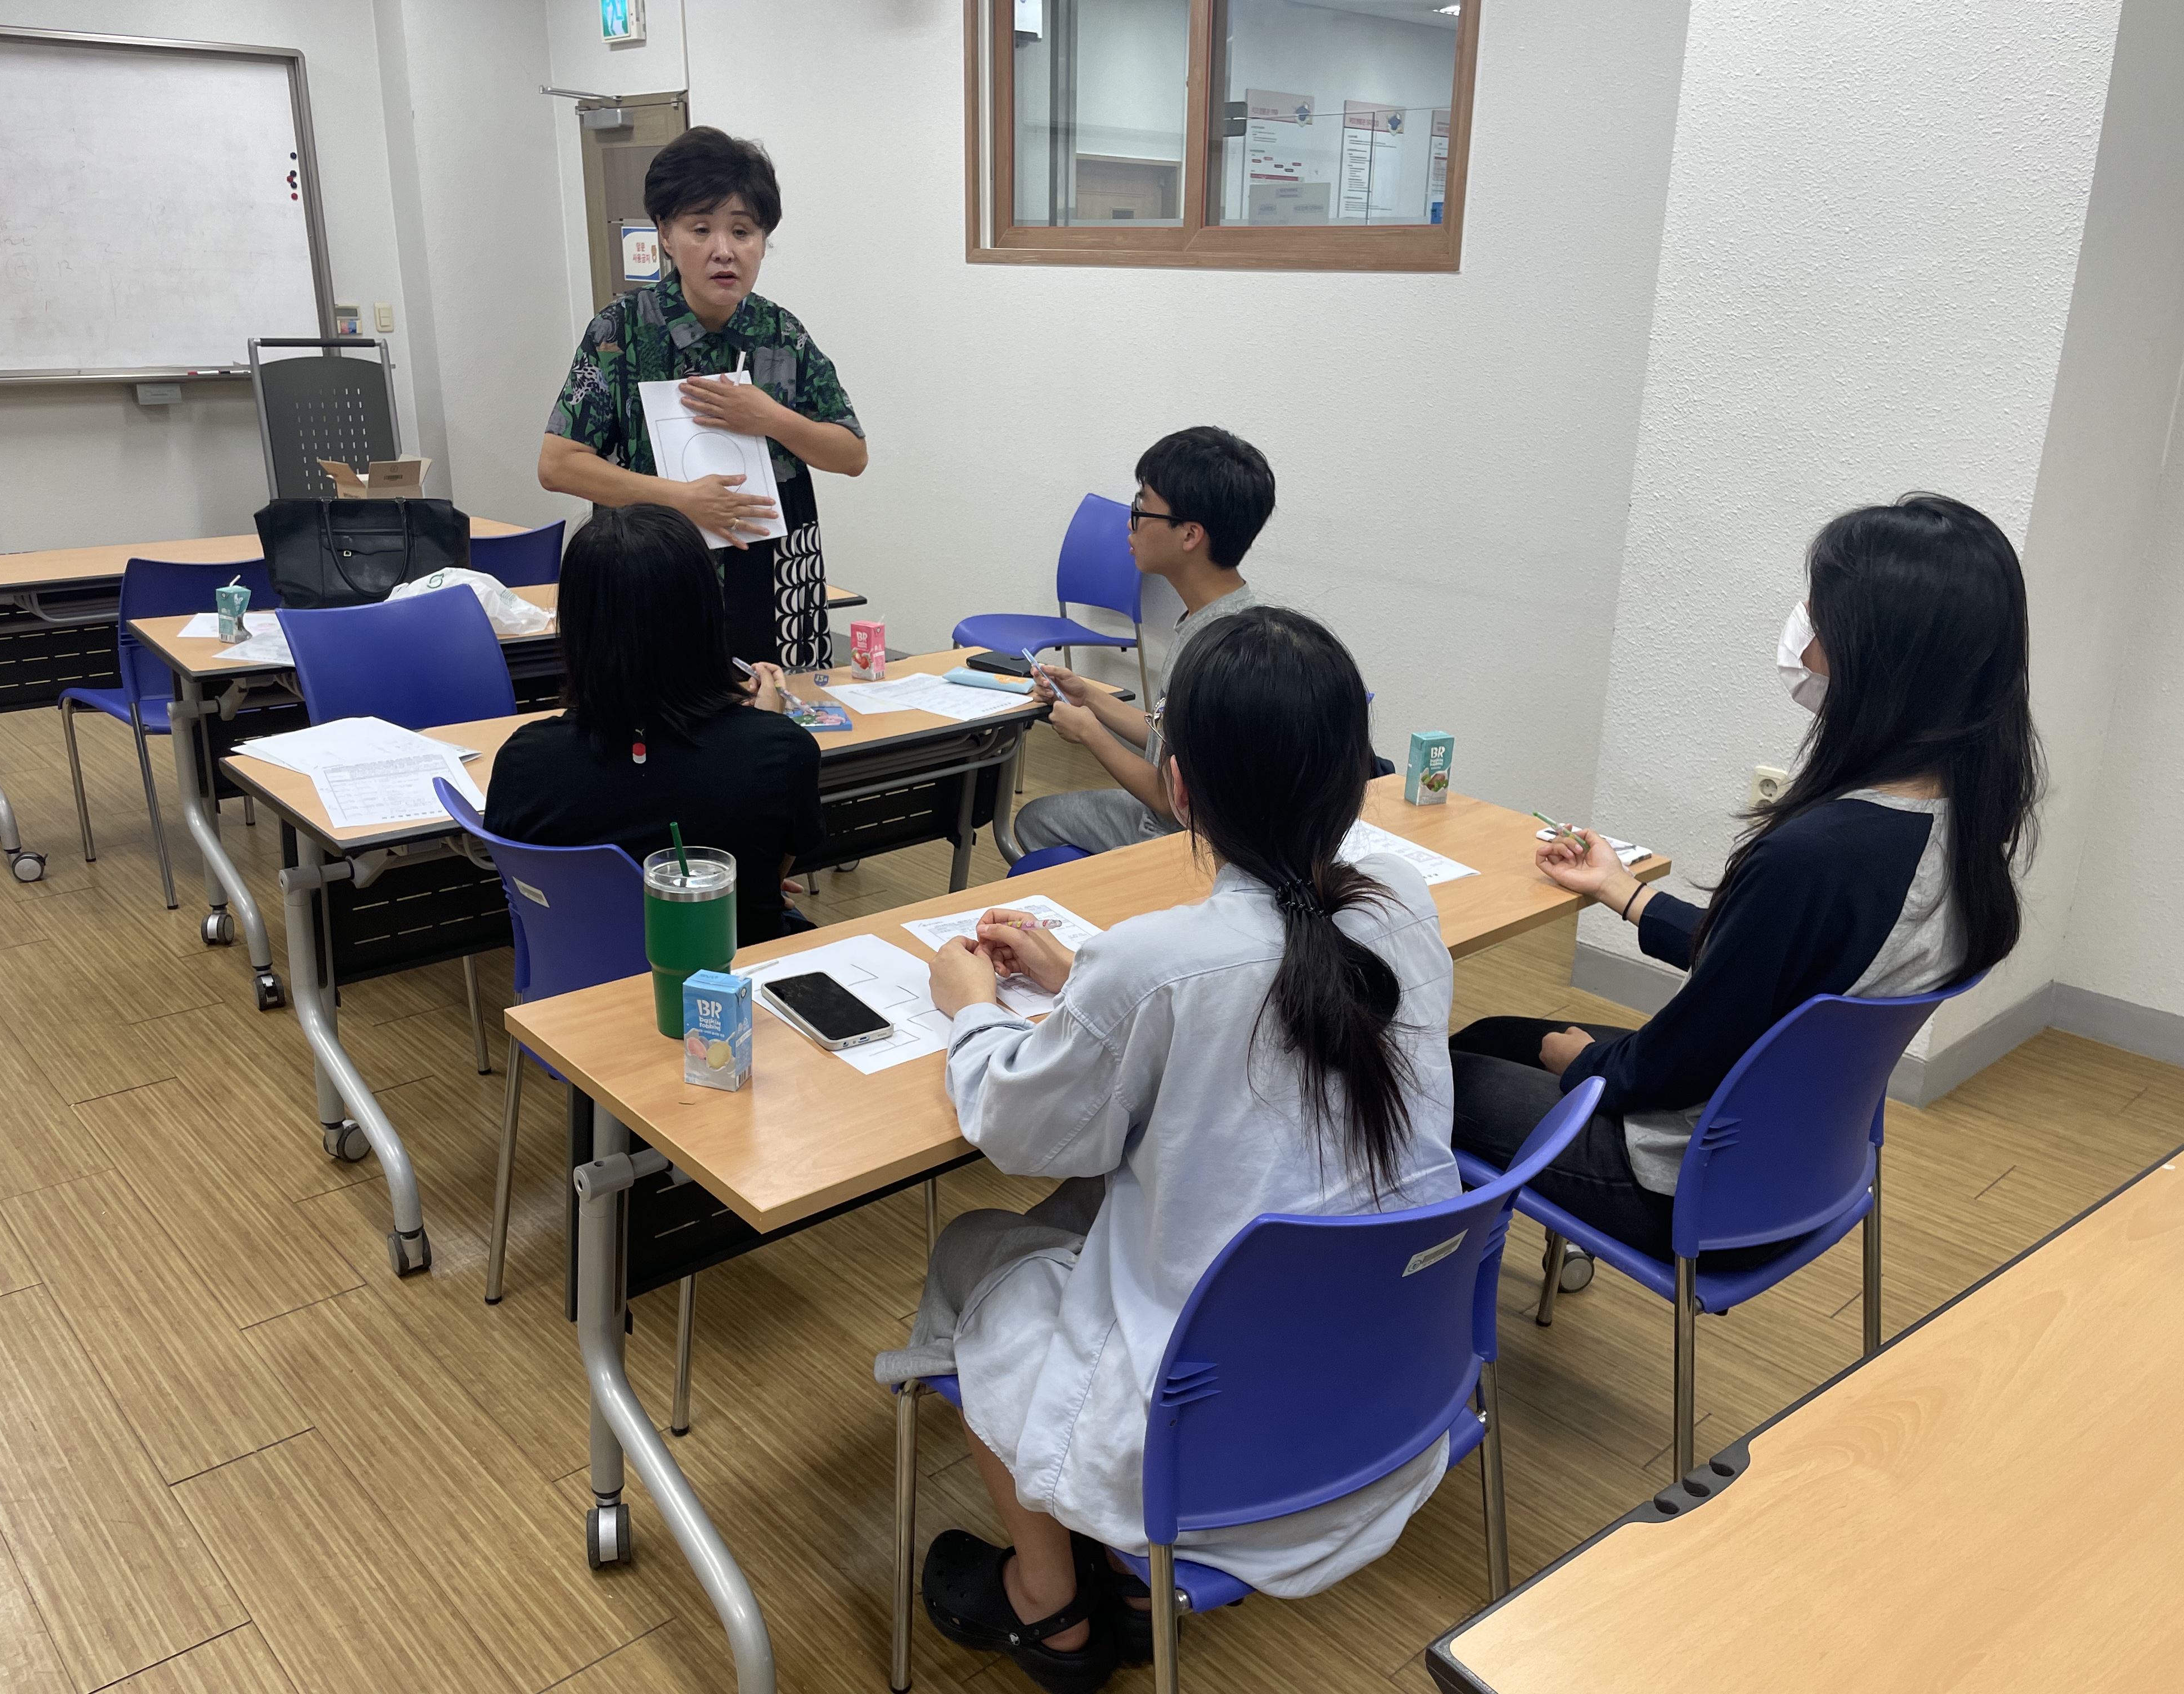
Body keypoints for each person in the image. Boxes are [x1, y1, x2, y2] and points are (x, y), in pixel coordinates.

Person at [876, 607, 1457, 1692]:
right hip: (1384, 1390)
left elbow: (1020, 1127)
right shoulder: (1407, 907)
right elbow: (1259, 1010)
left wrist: (971, 1006)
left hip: (1212, 1433)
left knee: (972, 1251)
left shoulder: (1157, 966)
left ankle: (1049, 1606)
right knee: (1112, 1217)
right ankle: (1137, 1586)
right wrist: (1089, 983)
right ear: (1355, 782)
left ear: (1177, 787)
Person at [1450, 493, 2042, 1268]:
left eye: (1820, 624)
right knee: (1492, 1036)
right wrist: (1624, 892)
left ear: (1879, 660)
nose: (1805, 643)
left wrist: (1584, 1065)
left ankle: (1414, 1290)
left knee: (1419, 1080)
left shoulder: (1819, 854)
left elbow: (1679, 1060)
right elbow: (1771, 965)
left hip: (1684, 1181)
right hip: (1804, 1160)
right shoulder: (1963, 822)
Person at [538, 127, 865, 670]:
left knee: (778, 711)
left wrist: (772, 417)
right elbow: (558, 465)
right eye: (700, 229)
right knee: (665, 712)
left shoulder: (781, 333)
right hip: (654, 570)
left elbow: (851, 454)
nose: (725, 251)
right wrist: (680, 499)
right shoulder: (621, 332)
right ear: (665, 235)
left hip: (773, 573)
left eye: (743, 231)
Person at [485, 504, 826, 947]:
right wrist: (764, 725)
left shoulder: (523, 761)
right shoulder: (780, 751)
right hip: (733, 976)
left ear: (575, 624)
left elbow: (526, 888)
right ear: (707, 613)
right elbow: (768, 872)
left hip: (585, 981)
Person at [1012, 426, 1274, 857]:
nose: (1129, 524)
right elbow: (1166, 741)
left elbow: (1170, 804)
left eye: (1141, 508)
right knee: (1039, 817)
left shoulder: (1213, 648)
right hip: (1213, 828)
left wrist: (1090, 733)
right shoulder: (1234, 614)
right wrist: (1089, 696)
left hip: (1180, 843)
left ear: (1190, 535)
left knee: (1033, 822)